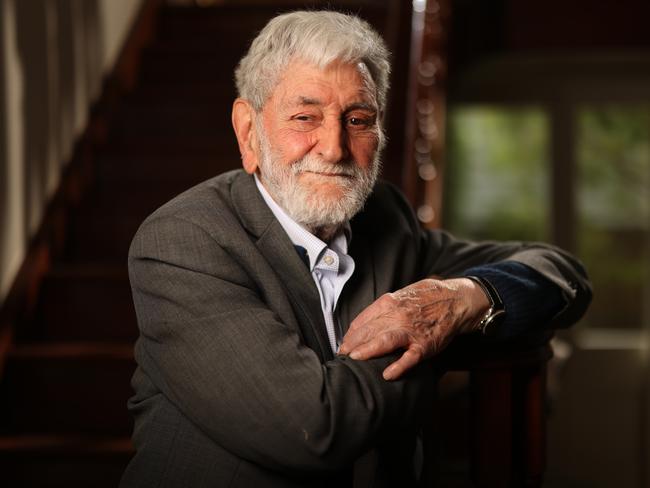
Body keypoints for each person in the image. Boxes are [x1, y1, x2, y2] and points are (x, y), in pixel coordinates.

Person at [120, 10, 591, 488]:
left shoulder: (385, 218)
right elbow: (313, 428)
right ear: (248, 132)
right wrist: (431, 340)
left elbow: (560, 273)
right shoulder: (182, 241)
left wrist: (462, 300)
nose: (334, 147)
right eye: (305, 117)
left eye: (357, 119)